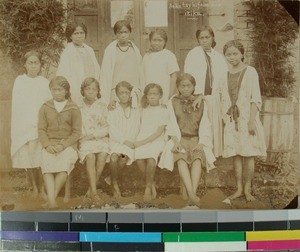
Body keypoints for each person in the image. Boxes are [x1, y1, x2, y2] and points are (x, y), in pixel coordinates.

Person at [158, 73, 215, 206]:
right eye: (182, 86)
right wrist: (176, 142)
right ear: (178, 87)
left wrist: (202, 143)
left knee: (197, 158)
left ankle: (191, 194)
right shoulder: (173, 102)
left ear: (194, 87)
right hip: (180, 138)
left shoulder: (201, 102)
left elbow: (206, 124)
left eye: (188, 86)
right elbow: (170, 123)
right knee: (180, 157)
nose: (185, 89)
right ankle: (192, 194)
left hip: (196, 138)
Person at [221, 40, 266, 202]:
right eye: (228, 54)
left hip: (247, 118)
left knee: (249, 154)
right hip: (232, 120)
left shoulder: (250, 72)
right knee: (236, 154)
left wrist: (252, 121)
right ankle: (239, 188)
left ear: (242, 54)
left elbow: (256, 98)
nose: (232, 57)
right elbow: (222, 98)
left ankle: (248, 189)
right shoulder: (224, 74)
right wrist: (225, 119)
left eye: (235, 54)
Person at [11, 50, 51, 197]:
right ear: (25, 65)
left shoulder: (45, 83)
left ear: (40, 65)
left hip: (40, 125)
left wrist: (42, 123)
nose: (34, 66)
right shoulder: (20, 81)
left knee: (40, 157)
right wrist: (27, 124)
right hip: (24, 124)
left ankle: (41, 188)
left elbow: (47, 105)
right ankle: (33, 186)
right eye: (30, 63)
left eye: (36, 63)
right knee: (28, 157)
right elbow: (18, 106)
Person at [38, 76, 81, 208]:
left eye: (60, 89)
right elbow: (41, 130)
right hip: (50, 144)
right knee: (47, 167)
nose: (56, 92)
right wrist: (47, 145)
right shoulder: (45, 107)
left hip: (68, 145)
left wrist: (63, 145)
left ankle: (51, 200)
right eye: (54, 89)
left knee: (63, 165)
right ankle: (52, 201)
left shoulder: (73, 108)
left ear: (66, 91)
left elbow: (76, 133)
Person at [184, 26, 228, 157]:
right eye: (201, 38)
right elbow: (189, 76)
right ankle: (199, 154)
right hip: (198, 96)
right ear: (198, 40)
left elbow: (222, 78)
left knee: (213, 125)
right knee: (201, 126)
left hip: (213, 97)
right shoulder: (193, 54)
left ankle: (213, 154)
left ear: (213, 38)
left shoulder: (218, 57)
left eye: (207, 37)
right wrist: (195, 94)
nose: (204, 40)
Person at [134, 83, 168, 202]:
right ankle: (152, 183)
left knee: (151, 159)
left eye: (155, 94)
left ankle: (147, 189)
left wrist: (142, 142)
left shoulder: (163, 110)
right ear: (146, 96)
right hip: (142, 138)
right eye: (150, 94)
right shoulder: (142, 109)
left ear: (160, 95)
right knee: (138, 158)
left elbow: (158, 132)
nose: (152, 96)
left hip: (156, 140)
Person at [78, 77, 109, 205]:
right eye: (88, 89)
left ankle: (91, 190)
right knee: (90, 156)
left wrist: (92, 135)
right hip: (83, 139)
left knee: (102, 154)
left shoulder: (102, 106)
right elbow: (76, 126)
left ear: (98, 91)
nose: (91, 91)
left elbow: (107, 126)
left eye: (94, 89)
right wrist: (83, 138)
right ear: (83, 91)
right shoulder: (78, 106)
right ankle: (95, 193)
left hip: (99, 138)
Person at [107, 81, 140, 198]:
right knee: (114, 157)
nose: (124, 95)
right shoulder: (113, 109)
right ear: (116, 94)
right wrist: (124, 141)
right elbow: (112, 128)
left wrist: (129, 142)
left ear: (130, 93)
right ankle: (115, 184)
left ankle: (111, 179)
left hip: (130, 142)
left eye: (126, 92)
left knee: (123, 157)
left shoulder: (135, 109)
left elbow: (136, 127)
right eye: (121, 93)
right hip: (117, 141)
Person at [100, 20, 143, 107]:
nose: (123, 35)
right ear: (115, 34)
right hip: (117, 90)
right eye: (120, 32)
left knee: (133, 115)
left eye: (125, 32)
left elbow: (140, 72)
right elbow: (106, 73)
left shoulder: (135, 50)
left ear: (130, 32)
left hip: (133, 90)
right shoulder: (111, 50)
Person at [56, 22, 100, 105]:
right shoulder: (67, 52)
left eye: (81, 33)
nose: (79, 36)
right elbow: (62, 74)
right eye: (76, 33)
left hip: (90, 88)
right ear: (70, 36)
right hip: (76, 88)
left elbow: (96, 69)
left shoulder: (89, 50)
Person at [142, 29, 179, 104]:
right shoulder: (146, 56)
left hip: (165, 91)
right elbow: (143, 75)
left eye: (160, 40)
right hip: (150, 92)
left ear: (165, 42)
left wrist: (170, 95)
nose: (156, 43)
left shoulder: (169, 55)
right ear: (150, 41)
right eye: (154, 40)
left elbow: (173, 76)